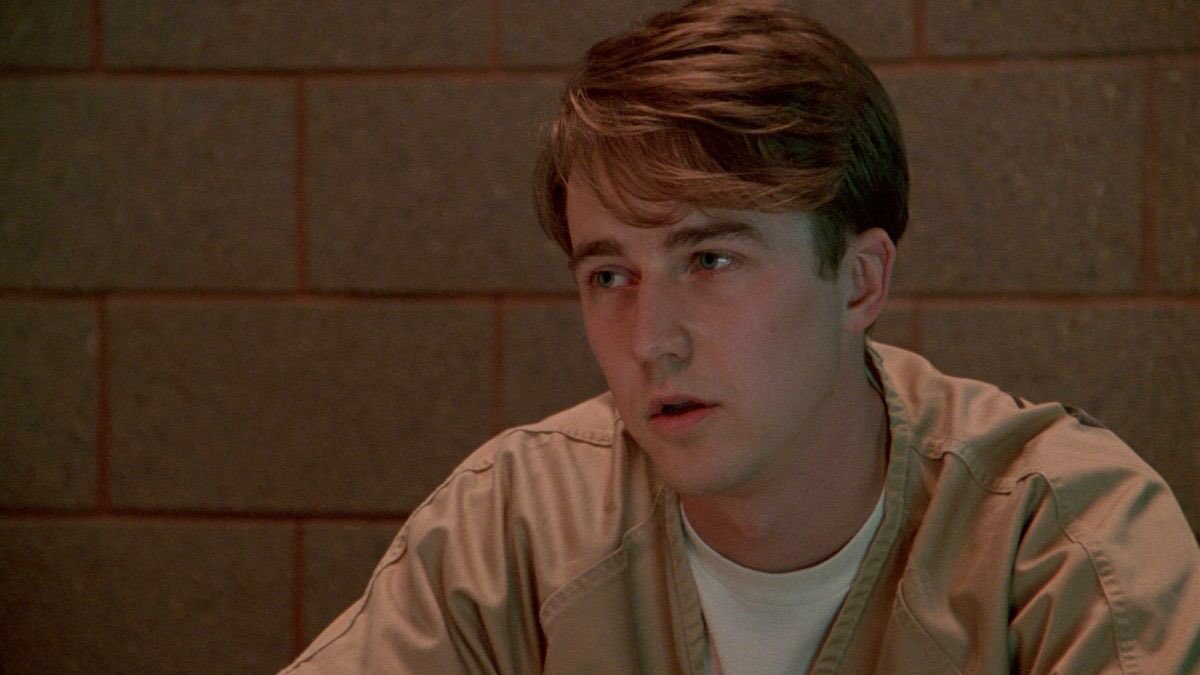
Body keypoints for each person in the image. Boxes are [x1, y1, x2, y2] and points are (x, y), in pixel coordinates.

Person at [283, 1, 1200, 672]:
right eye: (610, 276)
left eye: (711, 259)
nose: (652, 340)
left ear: (860, 280)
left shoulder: (1059, 539)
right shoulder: (515, 528)